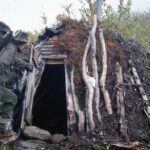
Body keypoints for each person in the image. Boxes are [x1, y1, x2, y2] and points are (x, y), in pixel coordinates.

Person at [0, 22, 33, 142]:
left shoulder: (11, 47)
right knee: (12, 99)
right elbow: (3, 63)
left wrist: (25, 64)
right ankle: (3, 129)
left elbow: (14, 59)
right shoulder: (11, 48)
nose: (24, 46)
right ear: (21, 42)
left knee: (7, 100)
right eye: (24, 43)